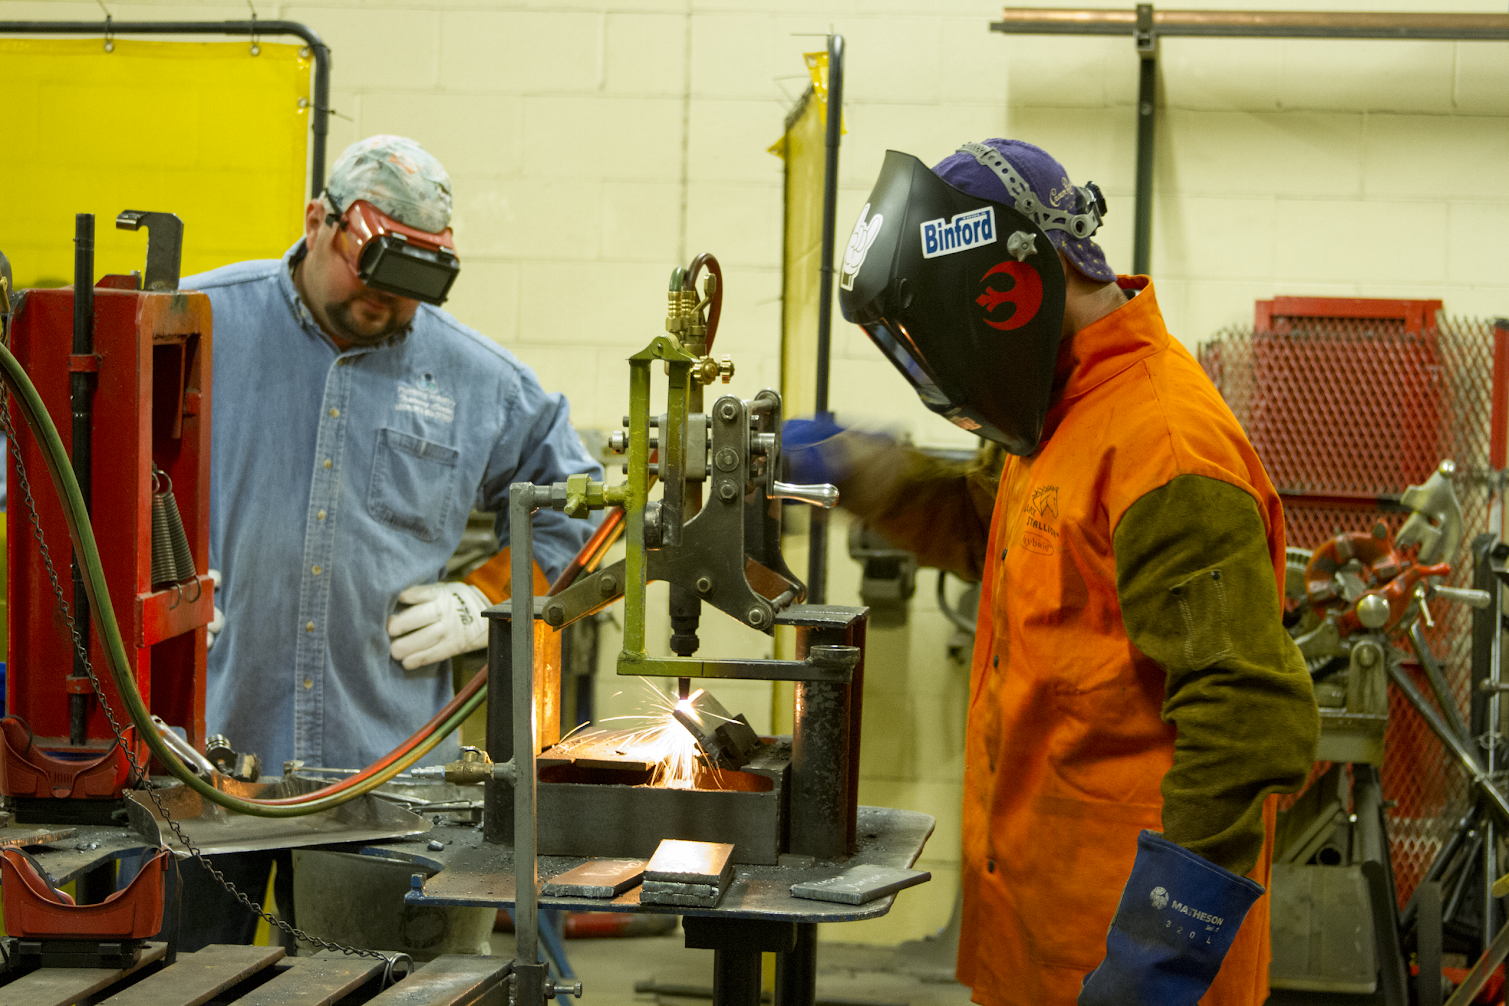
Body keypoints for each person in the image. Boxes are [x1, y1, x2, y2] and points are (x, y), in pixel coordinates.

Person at [788, 139, 1319, 1006]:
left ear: (1006, 289)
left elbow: (1247, 717)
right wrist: (866, 471)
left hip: (1123, 959)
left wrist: (1160, 954)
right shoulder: (1052, 415)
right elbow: (988, 534)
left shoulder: (1165, 449)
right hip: (1031, 935)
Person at [174, 135, 601, 945]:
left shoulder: (478, 381)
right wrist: (145, 588)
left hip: (384, 779)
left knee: (377, 989)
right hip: (204, 766)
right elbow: (70, 464)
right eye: (370, 275)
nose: (384, 303)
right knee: (179, 982)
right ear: (317, 222)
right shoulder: (195, 323)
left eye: (411, 291)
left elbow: (580, 514)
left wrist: (487, 600)